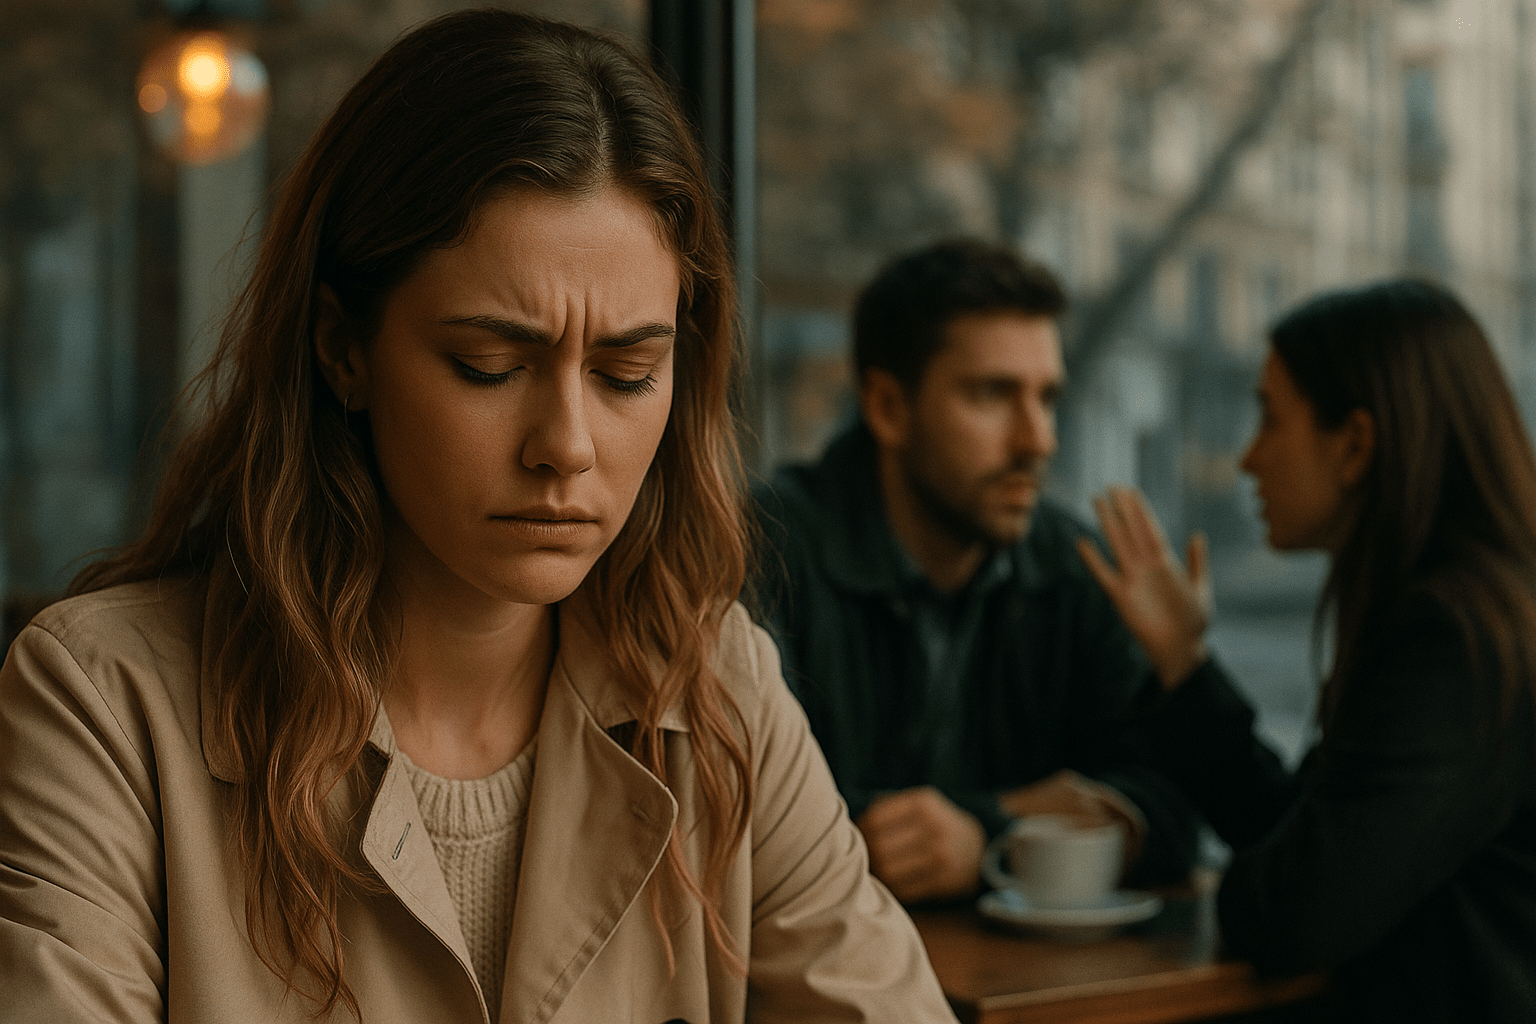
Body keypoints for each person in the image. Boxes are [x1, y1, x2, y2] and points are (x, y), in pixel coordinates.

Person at [0, 12, 959, 1023]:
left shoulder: (716, 686)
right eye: (489, 367)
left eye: (628, 373)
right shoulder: (103, 705)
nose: (568, 444)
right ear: (341, 348)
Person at [1082, 279, 1536, 1023]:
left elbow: (1292, 915)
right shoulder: (1460, 612)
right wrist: (1182, 662)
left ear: (1355, 443)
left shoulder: (1455, 641)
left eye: (1269, 417)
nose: (1247, 459)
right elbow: (1306, 837)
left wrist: (1245, 881)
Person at [751, 239, 1201, 905]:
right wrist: (1030, 813)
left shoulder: (1073, 565)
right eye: (993, 395)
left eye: (1046, 398)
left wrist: (987, 831)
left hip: (1027, 996)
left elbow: (1173, 808)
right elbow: (738, 819)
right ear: (887, 408)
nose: (1038, 440)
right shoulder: (762, 548)